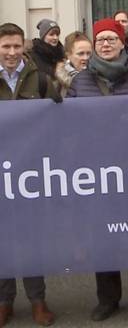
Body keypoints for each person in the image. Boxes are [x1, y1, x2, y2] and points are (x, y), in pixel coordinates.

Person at [67, 18, 128, 323]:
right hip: (97, 173)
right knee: (102, 236)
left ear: (123, 42)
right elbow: (70, 124)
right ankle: (108, 298)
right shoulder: (81, 81)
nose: (105, 44)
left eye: (111, 39)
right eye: (100, 40)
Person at [0, 22, 57, 327]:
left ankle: (38, 300)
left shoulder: (41, 80)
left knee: (30, 239)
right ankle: (4, 301)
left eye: (15, 46)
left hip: (31, 175)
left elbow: (61, 116)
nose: (11, 52)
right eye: (5, 46)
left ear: (24, 46)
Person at [55, 31, 92, 97]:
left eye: (89, 53)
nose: (86, 58)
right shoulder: (58, 84)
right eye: (81, 53)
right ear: (68, 55)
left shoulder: (99, 79)